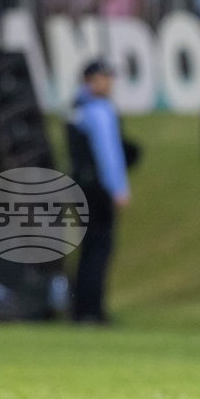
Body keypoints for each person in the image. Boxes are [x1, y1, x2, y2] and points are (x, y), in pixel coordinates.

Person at [67, 61, 131, 324]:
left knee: (87, 247)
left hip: (80, 186)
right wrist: (118, 188)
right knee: (99, 248)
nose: (110, 83)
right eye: (105, 77)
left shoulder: (75, 108)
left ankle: (81, 307)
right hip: (98, 189)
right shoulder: (99, 110)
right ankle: (93, 309)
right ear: (91, 79)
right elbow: (108, 154)